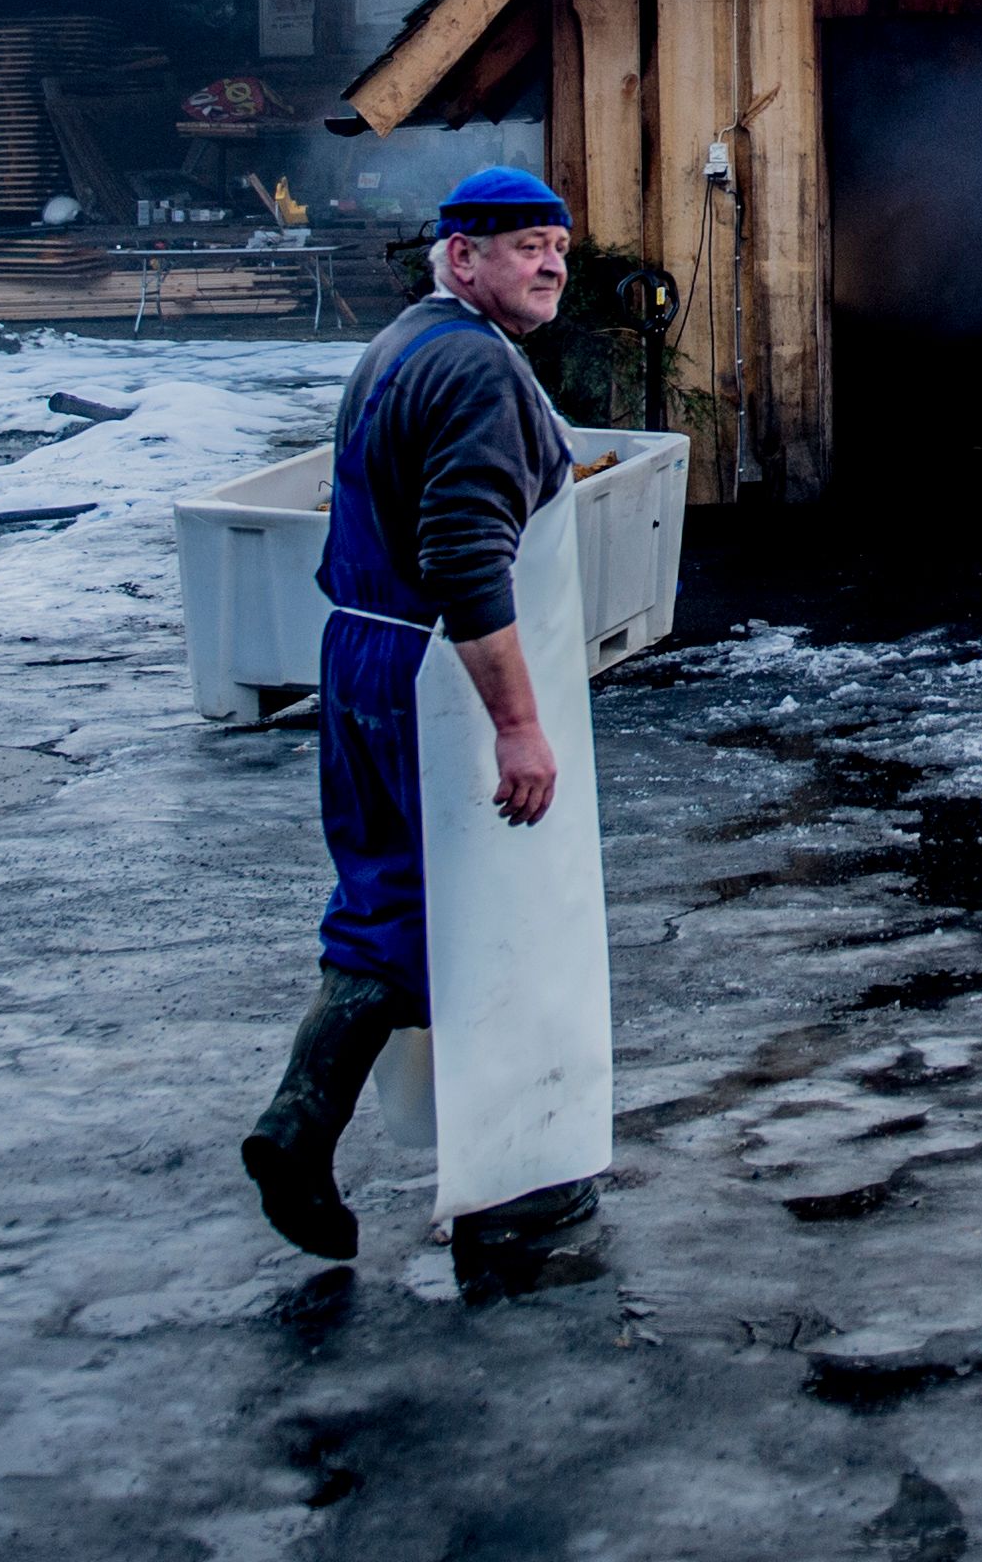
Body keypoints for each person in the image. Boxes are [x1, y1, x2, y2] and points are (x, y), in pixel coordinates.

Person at [240, 164, 587, 1262]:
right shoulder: (476, 372)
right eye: (523, 244)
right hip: (425, 672)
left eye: (558, 247)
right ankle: (506, 1173)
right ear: (459, 255)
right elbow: (464, 560)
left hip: (359, 647)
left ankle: (301, 1121)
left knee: (386, 897)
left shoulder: (402, 344)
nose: (548, 264)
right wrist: (518, 725)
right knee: (469, 911)